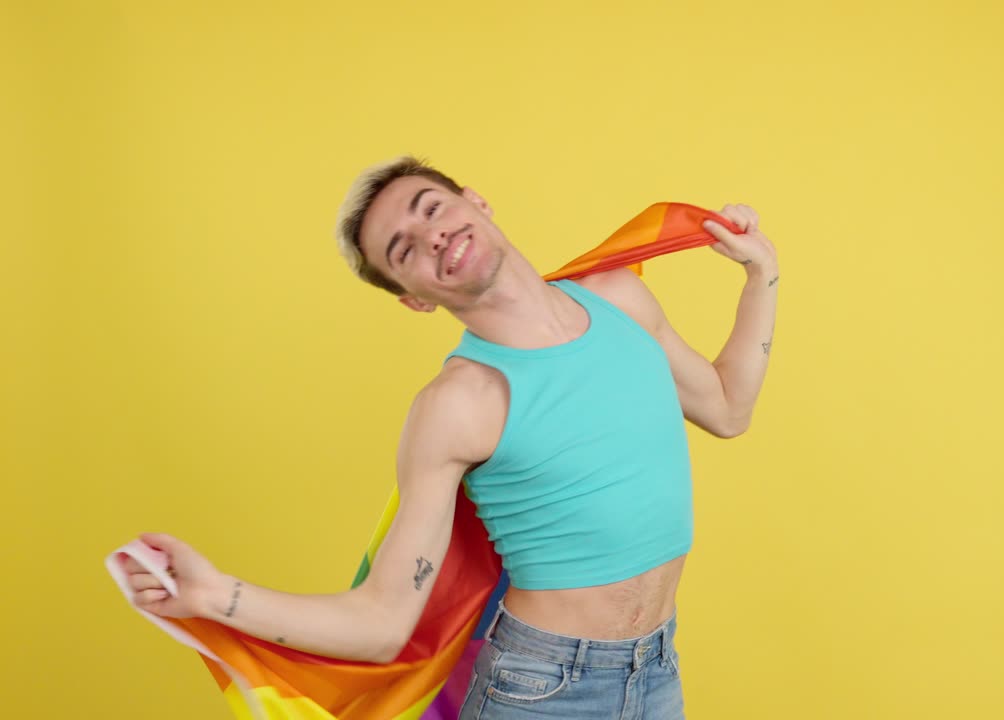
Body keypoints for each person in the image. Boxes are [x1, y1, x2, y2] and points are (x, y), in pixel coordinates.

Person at [122, 156, 779, 718]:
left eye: (429, 208)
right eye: (403, 249)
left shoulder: (620, 301)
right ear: (414, 298)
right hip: (544, 691)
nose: (431, 236)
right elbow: (382, 624)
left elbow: (726, 408)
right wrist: (213, 596)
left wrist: (762, 276)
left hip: (658, 673)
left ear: (475, 202)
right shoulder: (457, 405)